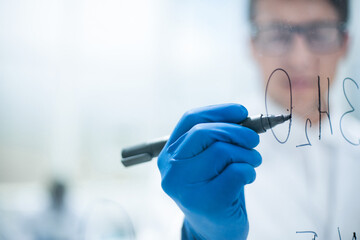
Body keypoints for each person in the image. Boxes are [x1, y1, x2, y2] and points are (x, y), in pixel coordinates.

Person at [157, 0, 360, 239]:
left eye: (320, 34)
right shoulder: (195, 157)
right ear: (252, 45)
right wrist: (198, 233)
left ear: (345, 43)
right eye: (276, 35)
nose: (299, 59)